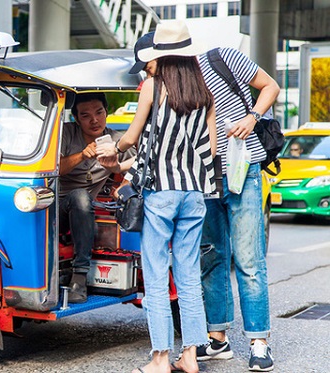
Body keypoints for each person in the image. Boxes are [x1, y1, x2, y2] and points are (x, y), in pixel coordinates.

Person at [98, 20, 217, 373]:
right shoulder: (205, 90)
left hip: (161, 193)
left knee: (155, 275)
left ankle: (161, 358)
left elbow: (133, 137)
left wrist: (114, 150)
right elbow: (209, 148)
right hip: (195, 193)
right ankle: (191, 356)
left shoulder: (152, 86)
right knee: (189, 277)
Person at [196, 44, 281, 372]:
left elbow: (271, 85)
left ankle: (259, 343)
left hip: (242, 167)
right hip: (203, 174)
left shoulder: (221, 58)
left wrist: (252, 116)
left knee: (248, 258)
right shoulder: (171, 84)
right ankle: (217, 339)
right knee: (213, 256)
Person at [59, 92, 136, 303]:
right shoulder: (66, 133)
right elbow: (55, 168)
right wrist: (82, 155)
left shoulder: (116, 141)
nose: (94, 120)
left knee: (83, 199)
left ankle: (79, 277)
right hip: (57, 206)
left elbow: (140, 163)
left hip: (85, 207)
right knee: (79, 197)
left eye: (99, 113)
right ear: (76, 118)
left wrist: (124, 183)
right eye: (85, 115)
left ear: (106, 113)